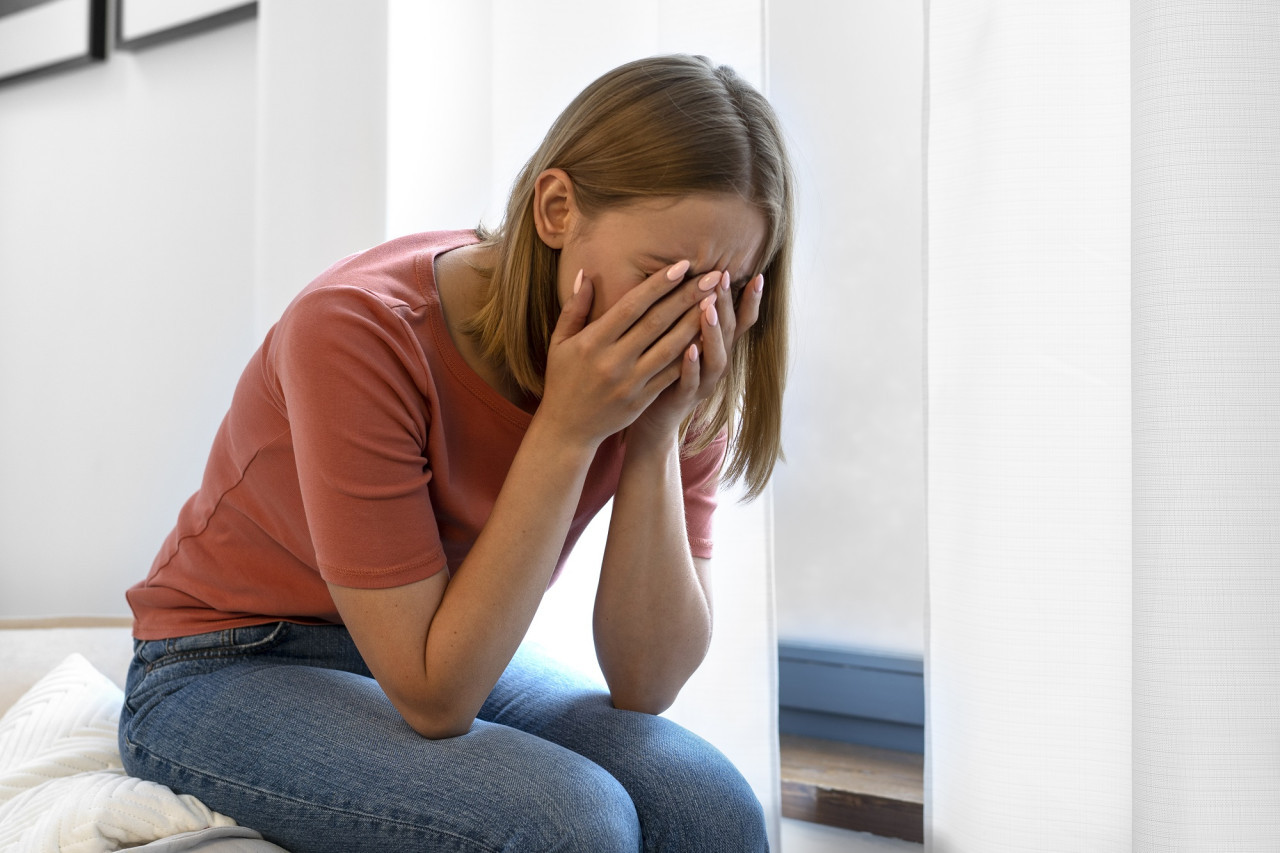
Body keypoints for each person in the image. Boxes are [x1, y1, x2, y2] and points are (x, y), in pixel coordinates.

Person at [119, 53, 793, 853]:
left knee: (712, 809)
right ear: (556, 208)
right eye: (662, 275)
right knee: (569, 823)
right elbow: (436, 698)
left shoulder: (689, 360)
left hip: (433, 642)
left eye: (724, 287)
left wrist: (652, 434)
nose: (690, 315)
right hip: (227, 658)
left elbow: (646, 683)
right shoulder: (358, 330)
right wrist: (569, 429)